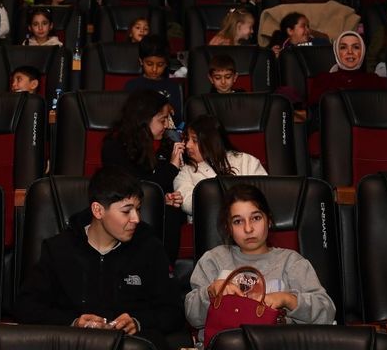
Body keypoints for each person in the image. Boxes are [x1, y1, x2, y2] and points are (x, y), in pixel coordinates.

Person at [14, 167, 184, 350]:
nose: (136, 218)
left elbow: (173, 311)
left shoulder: (149, 248)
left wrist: (138, 322)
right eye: (126, 211)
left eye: (138, 209)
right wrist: (73, 322)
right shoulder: (59, 249)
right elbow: (26, 306)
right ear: (98, 210)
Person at [185, 184, 336, 344]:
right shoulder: (214, 260)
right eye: (238, 221)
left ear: (268, 220)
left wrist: (288, 299)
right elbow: (192, 317)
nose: (248, 228)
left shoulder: (291, 262)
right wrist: (210, 292)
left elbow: (327, 313)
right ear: (228, 227)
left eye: (256, 218)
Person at [101, 90, 186, 260]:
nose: (166, 125)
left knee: (172, 211)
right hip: (122, 204)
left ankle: (165, 268)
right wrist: (172, 168)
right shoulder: (115, 145)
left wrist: (168, 197)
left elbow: (159, 184)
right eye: (162, 120)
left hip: (152, 207)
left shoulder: (164, 144)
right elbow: (130, 187)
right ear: (144, 119)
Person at [172, 117, 266, 220]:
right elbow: (189, 203)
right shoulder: (185, 172)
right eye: (187, 139)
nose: (187, 145)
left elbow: (264, 193)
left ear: (211, 141)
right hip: (210, 224)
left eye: (195, 140)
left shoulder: (246, 161)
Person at [307, 31, 387, 97]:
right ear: (336, 52)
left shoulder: (375, 80)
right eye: (343, 47)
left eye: (356, 47)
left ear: (363, 51)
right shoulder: (324, 80)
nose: (350, 52)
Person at [123, 35, 184, 122]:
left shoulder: (173, 87)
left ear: (166, 63)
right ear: (141, 61)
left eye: (160, 65)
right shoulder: (132, 86)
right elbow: (128, 116)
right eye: (149, 64)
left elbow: (178, 120)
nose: (154, 69)